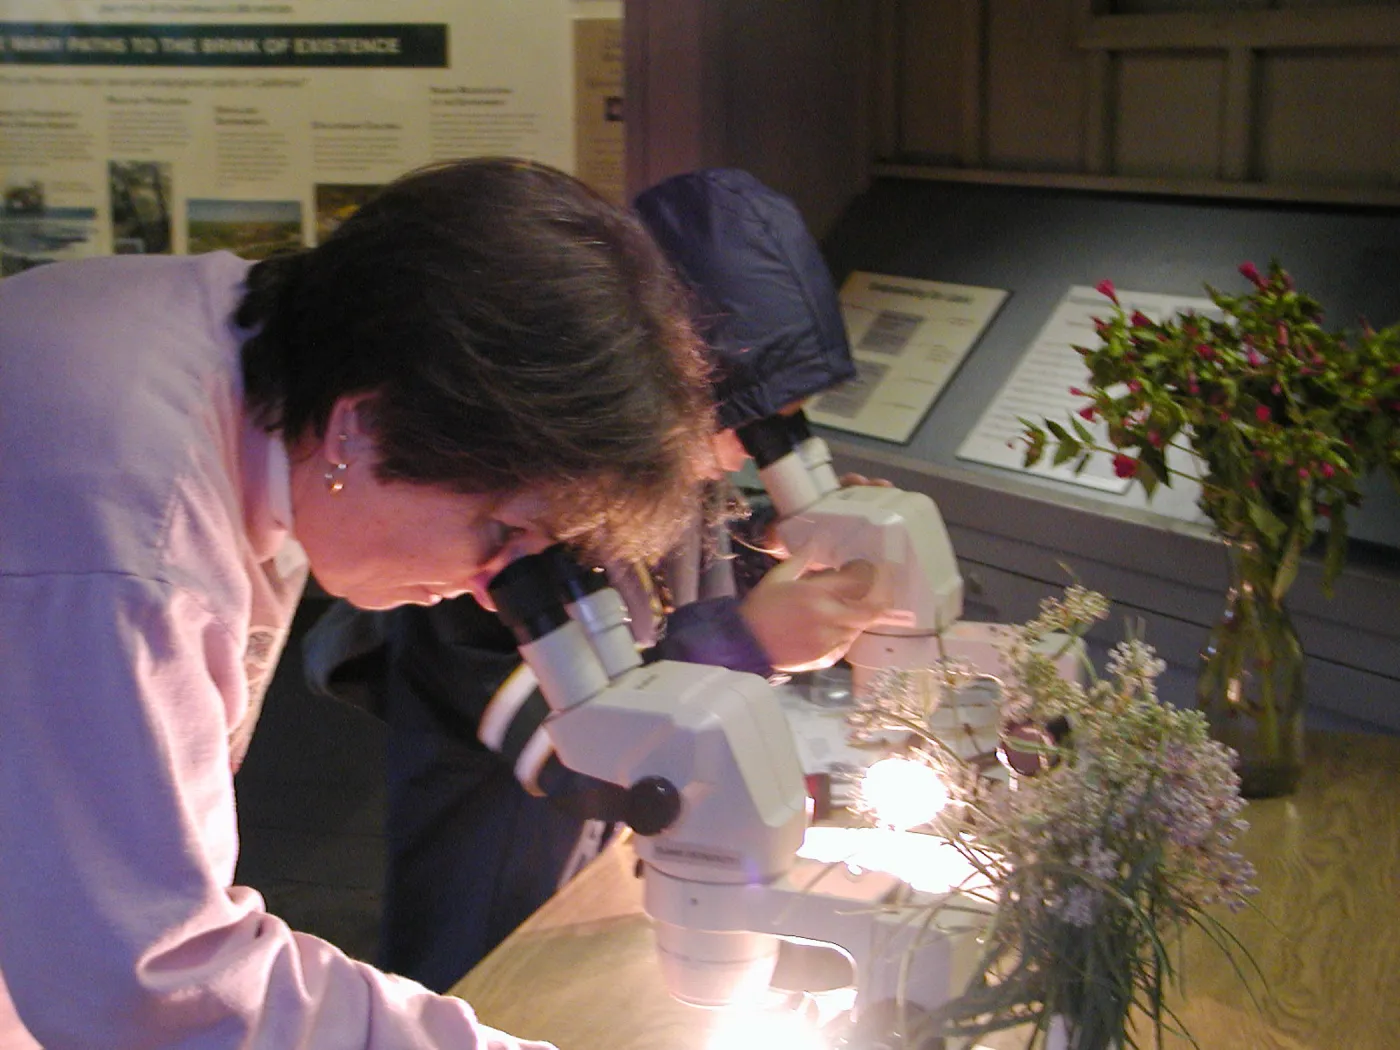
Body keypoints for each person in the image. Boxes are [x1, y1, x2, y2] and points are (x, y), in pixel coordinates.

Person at [0, 157, 720, 1049]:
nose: (494, 590)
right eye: (499, 533)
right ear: (365, 424)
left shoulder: (239, 344)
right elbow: (146, 985)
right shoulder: (132, 544)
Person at [304, 167, 891, 993]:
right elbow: (587, 760)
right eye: (740, 417)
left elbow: (672, 602)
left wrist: (806, 568)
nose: (755, 444)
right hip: (497, 909)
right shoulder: (497, 554)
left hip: (615, 893)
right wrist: (752, 641)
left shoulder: (688, 500)